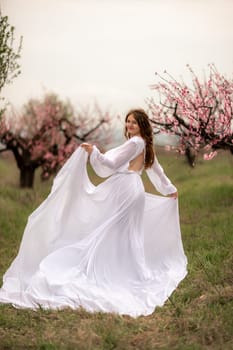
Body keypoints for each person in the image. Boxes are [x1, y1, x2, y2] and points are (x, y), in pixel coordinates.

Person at [0, 109, 187, 317]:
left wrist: (94, 152)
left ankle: (117, 274)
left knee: (114, 231)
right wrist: (169, 189)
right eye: (127, 122)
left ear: (142, 124)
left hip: (126, 189)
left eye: (133, 122)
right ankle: (130, 272)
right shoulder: (143, 144)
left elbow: (113, 164)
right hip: (134, 189)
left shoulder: (135, 143)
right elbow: (156, 171)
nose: (129, 125)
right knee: (124, 233)